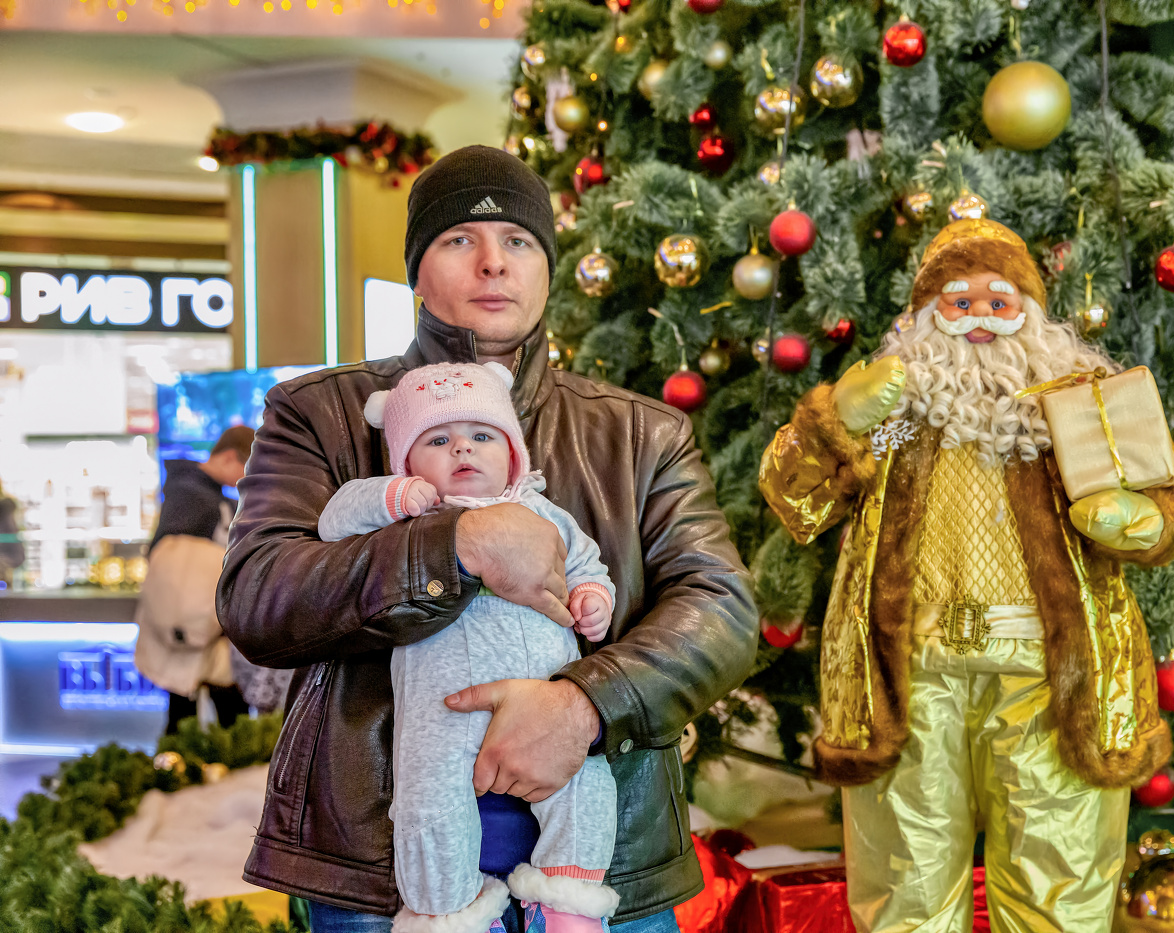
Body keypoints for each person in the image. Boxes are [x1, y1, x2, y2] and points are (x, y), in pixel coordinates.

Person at [217, 145, 757, 933]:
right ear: (417, 270)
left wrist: (586, 703)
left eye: (520, 241)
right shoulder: (320, 414)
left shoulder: (641, 432)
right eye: (459, 240)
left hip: (607, 863)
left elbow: (722, 606)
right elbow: (260, 593)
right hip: (374, 862)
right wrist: (455, 547)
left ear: (547, 268)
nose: (493, 263)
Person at [759, 218, 1174, 933]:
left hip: (1050, 680)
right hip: (910, 678)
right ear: (922, 318)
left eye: (998, 302)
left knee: (1056, 885)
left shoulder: (1075, 407)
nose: (979, 319)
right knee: (904, 888)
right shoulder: (897, 420)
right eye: (958, 301)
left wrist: (1141, 517)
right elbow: (796, 502)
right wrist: (834, 424)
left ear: (1032, 314)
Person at [318, 360, 619, 933]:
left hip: (549, 694)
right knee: (430, 805)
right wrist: (393, 497)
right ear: (407, 460)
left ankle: (567, 901)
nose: (463, 449)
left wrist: (591, 598)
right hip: (442, 708)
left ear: (512, 452)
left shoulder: (543, 512)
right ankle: (446, 911)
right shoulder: (415, 516)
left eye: (482, 436)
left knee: (583, 783)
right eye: (438, 440)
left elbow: (587, 565)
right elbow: (334, 521)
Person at [145, 425, 255, 733]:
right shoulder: (194, 496)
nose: (244, 479)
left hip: (203, 627)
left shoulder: (197, 493)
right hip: (196, 626)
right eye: (245, 468)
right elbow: (173, 569)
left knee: (191, 718)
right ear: (230, 457)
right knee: (215, 722)